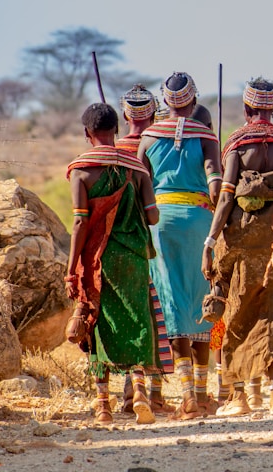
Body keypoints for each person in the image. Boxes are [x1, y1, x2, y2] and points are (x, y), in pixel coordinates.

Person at [202, 78, 273, 417]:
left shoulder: (237, 144)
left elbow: (226, 196)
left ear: (246, 109)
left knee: (236, 313)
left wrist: (211, 240)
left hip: (240, 239)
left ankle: (238, 396)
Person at [64, 103, 162, 425]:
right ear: (116, 130)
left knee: (97, 321)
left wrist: (71, 267)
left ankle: (103, 404)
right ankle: (141, 393)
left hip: (97, 259)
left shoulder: (80, 170)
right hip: (133, 256)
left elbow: (80, 223)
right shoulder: (136, 167)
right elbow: (153, 215)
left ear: (86, 133)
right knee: (137, 318)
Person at [137, 72, 223, 420]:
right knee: (202, 301)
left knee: (171, 300)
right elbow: (216, 185)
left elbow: (140, 185)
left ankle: (187, 396)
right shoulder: (206, 135)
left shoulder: (148, 137)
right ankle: (203, 397)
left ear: (166, 101)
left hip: (161, 223)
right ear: (193, 99)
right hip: (200, 220)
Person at [114, 85, 175, 415]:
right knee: (157, 311)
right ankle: (153, 393)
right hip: (158, 233)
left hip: (124, 240)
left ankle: (129, 390)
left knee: (131, 311)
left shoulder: (114, 151)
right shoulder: (159, 144)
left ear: (126, 115)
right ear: (153, 114)